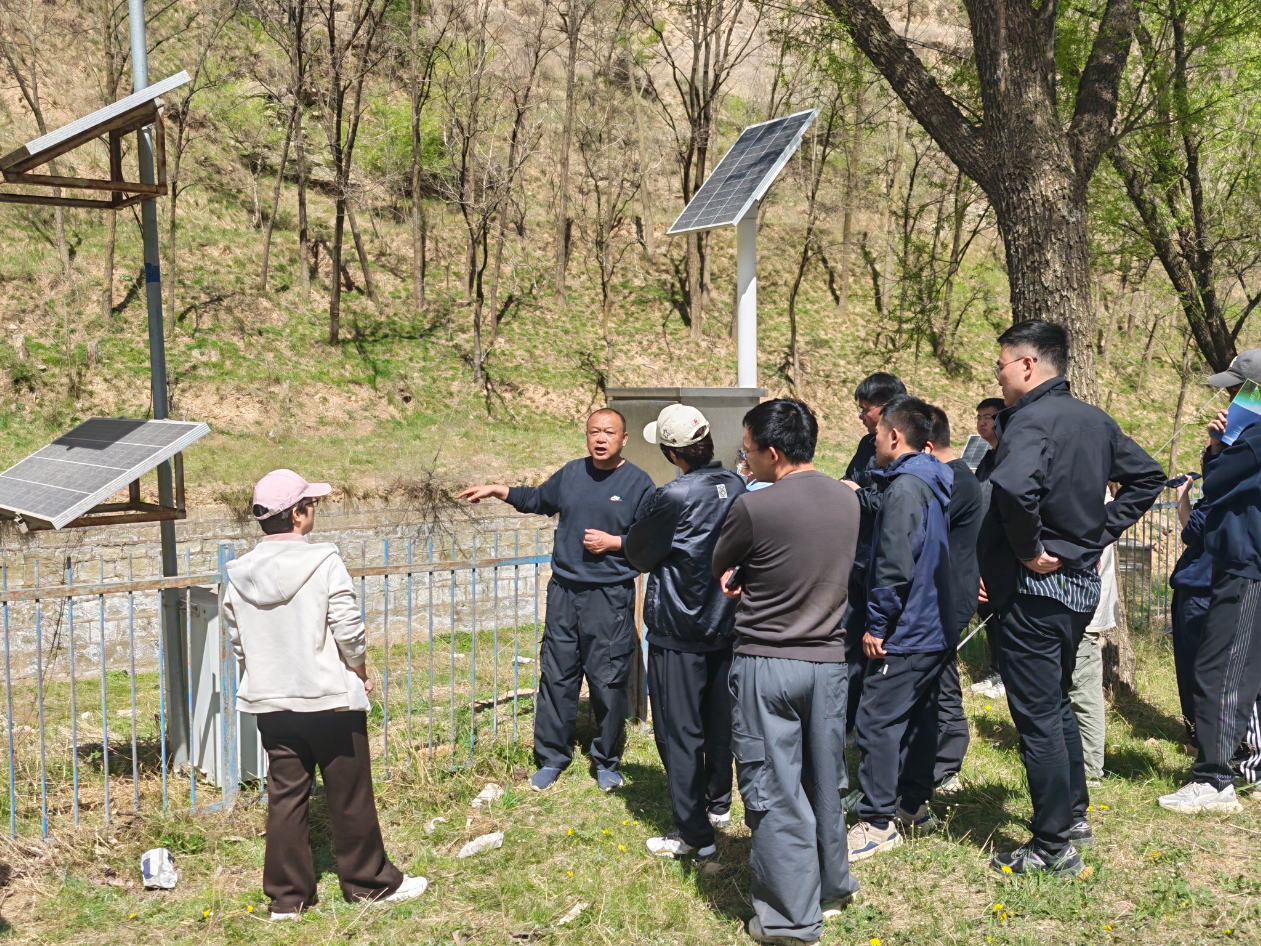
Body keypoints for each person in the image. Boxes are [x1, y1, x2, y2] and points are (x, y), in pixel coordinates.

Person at [978, 320, 1164, 876]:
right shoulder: (1094, 419)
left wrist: (1032, 547)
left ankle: (1052, 846)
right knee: (1056, 701)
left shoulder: (1029, 420)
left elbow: (1015, 488)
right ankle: (1072, 815)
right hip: (1079, 587)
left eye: (1001, 365)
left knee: (1037, 715)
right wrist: (1094, 534)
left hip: (1033, 589)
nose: (999, 376)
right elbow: (1148, 477)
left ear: (1028, 364)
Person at [223, 469, 427, 919]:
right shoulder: (324, 561)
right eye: (311, 504)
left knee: (286, 796)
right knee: (349, 794)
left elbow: (239, 642)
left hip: (272, 702)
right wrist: (360, 670)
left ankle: (287, 898)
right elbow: (348, 628)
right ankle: (369, 884)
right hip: (329, 698)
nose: (314, 510)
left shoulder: (238, 574)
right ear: (297, 515)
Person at [712, 398, 861, 945]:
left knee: (774, 788)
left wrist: (742, 575)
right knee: (824, 778)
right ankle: (830, 886)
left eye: (748, 452)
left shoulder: (755, 507)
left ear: (773, 453)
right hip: (828, 663)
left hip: (767, 662)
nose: (746, 461)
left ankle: (789, 920)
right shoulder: (849, 500)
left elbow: (722, 565)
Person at [458, 409, 655, 793]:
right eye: (594, 431)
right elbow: (538, 499)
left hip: (609, 597)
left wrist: (615, 543)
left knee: (608, 680)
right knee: (557, 675)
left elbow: (651, 541)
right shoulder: (572, 473)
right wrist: (499, 490)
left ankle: (606, 761)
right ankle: (551, 758)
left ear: (624, 439)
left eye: (609, 432)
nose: (601, 438)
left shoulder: (638, 484)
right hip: (563, 592)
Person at [624, 404, 745, 860]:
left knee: (678, 732)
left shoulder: (672, 496)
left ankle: (694, 833)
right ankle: (719, 803)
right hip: (724, 622)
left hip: (678, 628)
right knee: (719, 721)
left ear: (672, 453)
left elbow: (639, 553)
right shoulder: (735, 484)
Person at [847, 397, 954, 861]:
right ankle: (912, 806)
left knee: (876, 719)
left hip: (907, 626)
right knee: (920, 717)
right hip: (932, 621)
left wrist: (878, 625)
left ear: (895, 436)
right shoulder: (931, 478)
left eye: (877, 433)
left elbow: (894, 564)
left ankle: (876, 823)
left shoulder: (906, 488)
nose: (872, 440)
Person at [1160, 349, 1261, 813]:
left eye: (1237, 390)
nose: (1229, 398)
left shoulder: (1255, 437)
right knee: (1229, 668)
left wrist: (1220, 447)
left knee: (1221, 670)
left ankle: (1215, 780)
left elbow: (1217, 483)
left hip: (1246, 568)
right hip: (1236, 564)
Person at [843, 373, 908, 741]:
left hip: (885, 564)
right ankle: (848, 720)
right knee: (852, 642)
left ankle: (876, 724)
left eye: (865, 410)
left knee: (881, 644)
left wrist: (857, 494)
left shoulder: (911, 450)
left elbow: (892, 502)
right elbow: (851, 481)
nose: (861, 417)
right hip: (858, 558)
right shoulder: (866, 445)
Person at [923, 405, 983, 795]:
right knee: (938, 676)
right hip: (941, 594)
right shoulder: (948, 477)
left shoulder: (955, 480)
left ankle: (946, 765)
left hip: (949, 596)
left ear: (926, 447)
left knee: (938, 678)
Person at [1070, 492, 1118, 787]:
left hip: (1083, 616)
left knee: (1084, 693)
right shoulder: (1093, 496)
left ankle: (1090, 771)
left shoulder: (1095, 500)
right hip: (1075, 612)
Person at [970, 396, 1007, 697]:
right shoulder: (986, 458)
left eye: (989, 417)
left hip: (1001, 553)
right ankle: (995, 672)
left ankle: (1007, 677)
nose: (982, 423)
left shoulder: (1010, 457)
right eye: (979, 417)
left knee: (1003, 616)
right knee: (986, 612)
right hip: (980, 550)